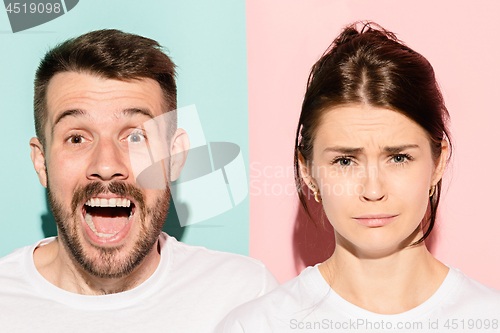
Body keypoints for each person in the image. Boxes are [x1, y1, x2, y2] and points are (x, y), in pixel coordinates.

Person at [216, 22, 500, 332]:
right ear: (308, 172)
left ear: (438, 162)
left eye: (399, 158)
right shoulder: (257, 325)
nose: (373, 189)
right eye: (345, 161)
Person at [0, 29, 278, 332]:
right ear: (41, 162)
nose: (106, 165)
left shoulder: (245, 297)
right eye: (77, 138)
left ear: (174, 156)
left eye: (135, 136)